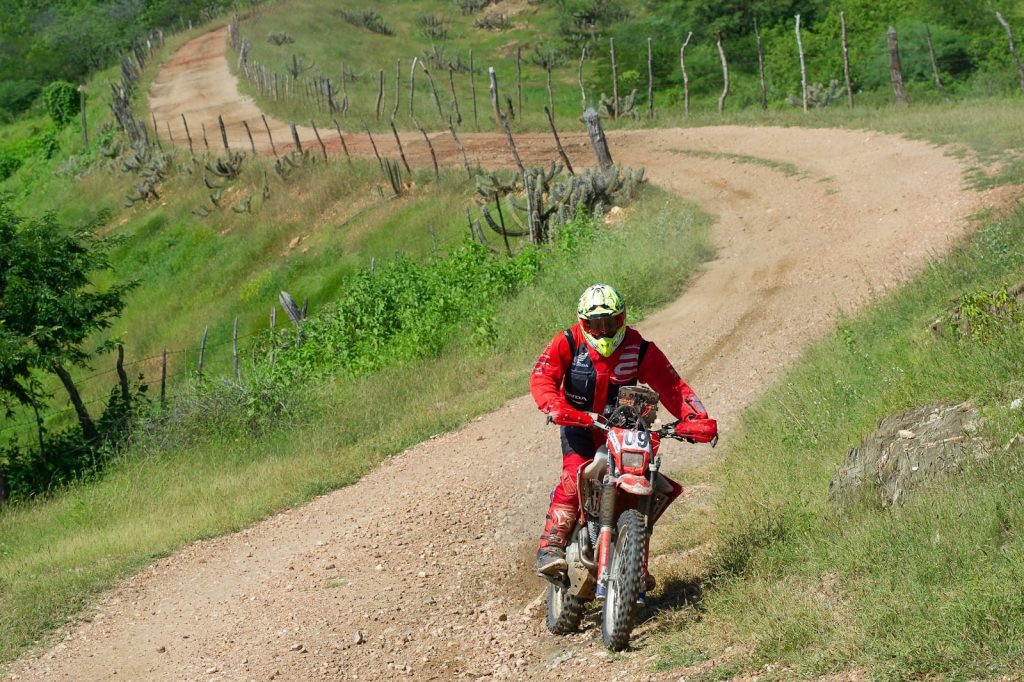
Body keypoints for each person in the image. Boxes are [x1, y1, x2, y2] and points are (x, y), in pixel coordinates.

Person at [530, 283, 718, 579]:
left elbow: (673, 388)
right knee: (574, 471)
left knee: (645, 481)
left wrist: (696, 419)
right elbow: (542, 376)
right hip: (579, 424)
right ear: (584, 323)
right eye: (596, 324)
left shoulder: (640, 348)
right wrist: (554, 406)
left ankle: (635, 564)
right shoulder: (568, 341)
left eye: (610, 322)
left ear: (622, 319)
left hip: (624, 429)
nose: (604, 331)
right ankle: (551, 545)